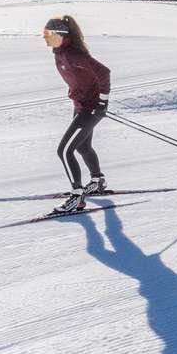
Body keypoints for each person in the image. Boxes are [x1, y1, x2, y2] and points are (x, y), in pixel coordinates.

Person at [43, 15, 111, 214]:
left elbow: (104, 72)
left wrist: (102, 102)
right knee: (83, 146)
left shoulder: (73, 55)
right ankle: (97, 180)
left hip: (91, 108)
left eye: (48, 34)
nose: (44, 37)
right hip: (82, 106)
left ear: (60, 35)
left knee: (64, 150)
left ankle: (77, 196)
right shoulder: (60, 53)